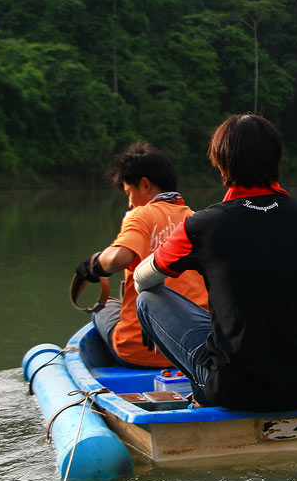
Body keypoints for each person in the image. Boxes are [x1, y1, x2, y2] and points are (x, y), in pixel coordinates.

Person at [133, 113, 297, 410]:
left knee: (147, 300)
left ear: (220, 163)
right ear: (276, 159)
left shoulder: (199, 225)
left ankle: (201, 394)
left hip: (232, 390)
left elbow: (142, 281)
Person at [74, 142, 209, 368]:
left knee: (104, 307)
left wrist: (93, 265)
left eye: (129, 193)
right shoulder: (195, 219)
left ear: (145, 185)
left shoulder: (141, 216)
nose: (129, 202)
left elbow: (118, 259)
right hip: (193, 352)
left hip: (140, 353)